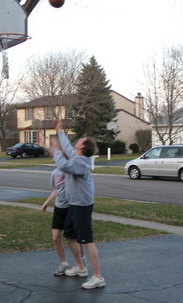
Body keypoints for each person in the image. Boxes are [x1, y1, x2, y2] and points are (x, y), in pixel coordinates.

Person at [51, 120, 105, 290]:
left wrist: (55, 151)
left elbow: (64, 165)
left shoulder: (82, 162)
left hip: (82, 206)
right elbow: (67, 147)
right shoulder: (77, 156)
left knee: (87, 240)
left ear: (82, 147)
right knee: (70, 235)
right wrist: (60, 131)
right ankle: (80, 267)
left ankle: (98, 277)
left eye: (80, 140)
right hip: (73, 204)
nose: (77, 141)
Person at [41, 139, 85, 276]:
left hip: (71, 207)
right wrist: (46, 203)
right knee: (55, 237)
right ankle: (64, 263)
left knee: (74, 237)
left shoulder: (71, 170)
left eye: (61, 155)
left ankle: (81, 262)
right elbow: (55, 190)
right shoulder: (54, 173)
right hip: (59, 208)